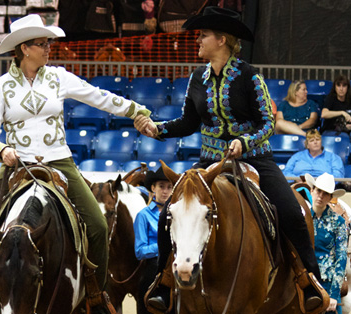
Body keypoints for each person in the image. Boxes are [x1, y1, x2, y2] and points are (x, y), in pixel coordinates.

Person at [134, 6, 327, 313]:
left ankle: (309, 280)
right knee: (168, 211)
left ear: (222, 39)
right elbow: (188, 122)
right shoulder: (197, 78)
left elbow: (268, 123)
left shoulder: (251, 77)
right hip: (209, 161)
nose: (198, 40)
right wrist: (157, 129)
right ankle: (164, 281)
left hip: (254, 159)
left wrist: (244, 141)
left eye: (204, 35)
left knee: (291, 210)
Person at [0, 14, 151, 314]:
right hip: (16, 165)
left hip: (59, 162)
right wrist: (2, 149)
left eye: (48, 43)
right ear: (23, 49)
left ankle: (95, 297)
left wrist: (137, 109)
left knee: (98, 226)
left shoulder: (59, 77)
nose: (49, 48)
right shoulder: (0, 87)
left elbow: (99, 97)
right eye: (42, 44)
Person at [305, 172, 348, 314]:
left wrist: (334, 294)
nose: (321, 196)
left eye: (326, 193)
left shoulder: (339, 223)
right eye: (318, 191)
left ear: (330, 197)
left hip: (328, 284)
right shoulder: (302, 220)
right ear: (312, 191)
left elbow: (341, 257)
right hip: (305, 282)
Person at [133, 167, 173, 314]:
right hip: (154, 266)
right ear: (153, 188)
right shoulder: (143, 216)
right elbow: (140, 251)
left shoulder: (176, 213)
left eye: (169, 187)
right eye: (161, 186)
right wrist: (164, 246)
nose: (165, 191)